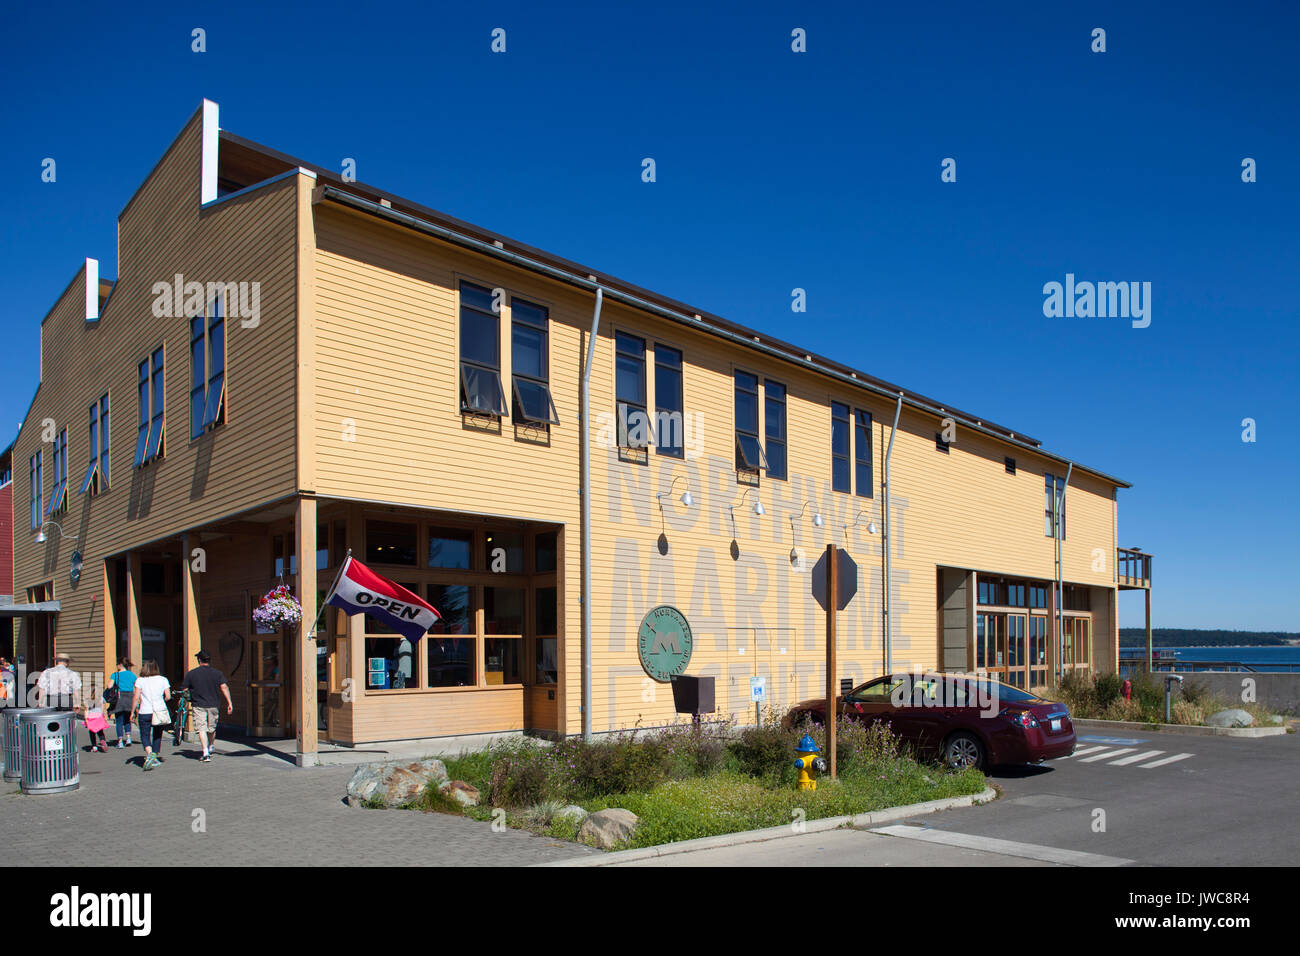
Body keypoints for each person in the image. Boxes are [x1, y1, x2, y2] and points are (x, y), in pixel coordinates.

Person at [181, 650, 233, 762]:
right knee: (211, 729)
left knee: (201, 729)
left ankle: (205, 752)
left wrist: (187, 698)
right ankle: (210, 746)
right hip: (214, 704)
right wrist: (229, 702)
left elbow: (185, 689)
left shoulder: (192, 674)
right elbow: (224, 687)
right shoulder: (217, 673)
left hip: (198, 704)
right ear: (209, 660)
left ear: (199, 660)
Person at [130, 659, 171, 771]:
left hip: (145, 711)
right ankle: (154, 755)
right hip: (159, 710)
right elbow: (168, 696)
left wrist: (132, 711)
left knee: (145, 734)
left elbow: (136, 697)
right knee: (157, 734)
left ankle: (149, 754)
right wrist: (161, 700)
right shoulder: (163, 679)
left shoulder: (140, 680)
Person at [108, 659, 137, 748]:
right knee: (128, 719)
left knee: (119, 721)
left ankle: (120, 742)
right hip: (130, 698)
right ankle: (128, 738)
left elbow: (109, 686)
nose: (116, 666)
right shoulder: (132, 675)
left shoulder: (115, 675)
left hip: (119, 699)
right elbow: (136, 687)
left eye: (117, 664)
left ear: (120, 665)